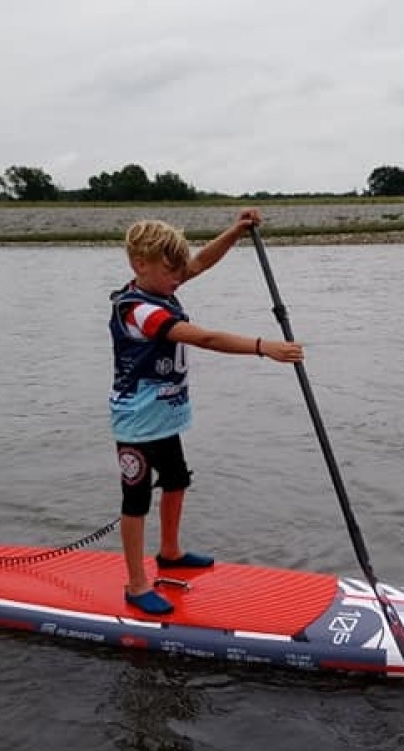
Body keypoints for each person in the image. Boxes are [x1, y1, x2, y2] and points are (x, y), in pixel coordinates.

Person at [109, 209, 303, 615]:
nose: (180, 277)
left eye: (179, 270)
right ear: (140, 265)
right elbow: (205, 338)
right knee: (136, 502)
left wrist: (236, 231)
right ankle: (136, 584)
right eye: (171, 271)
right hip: (137, 423)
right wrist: (263, 347)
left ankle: (170, 552)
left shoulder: (162, 285)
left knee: (177, 480)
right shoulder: (138, 310)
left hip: (165, 417)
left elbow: (200, 262)